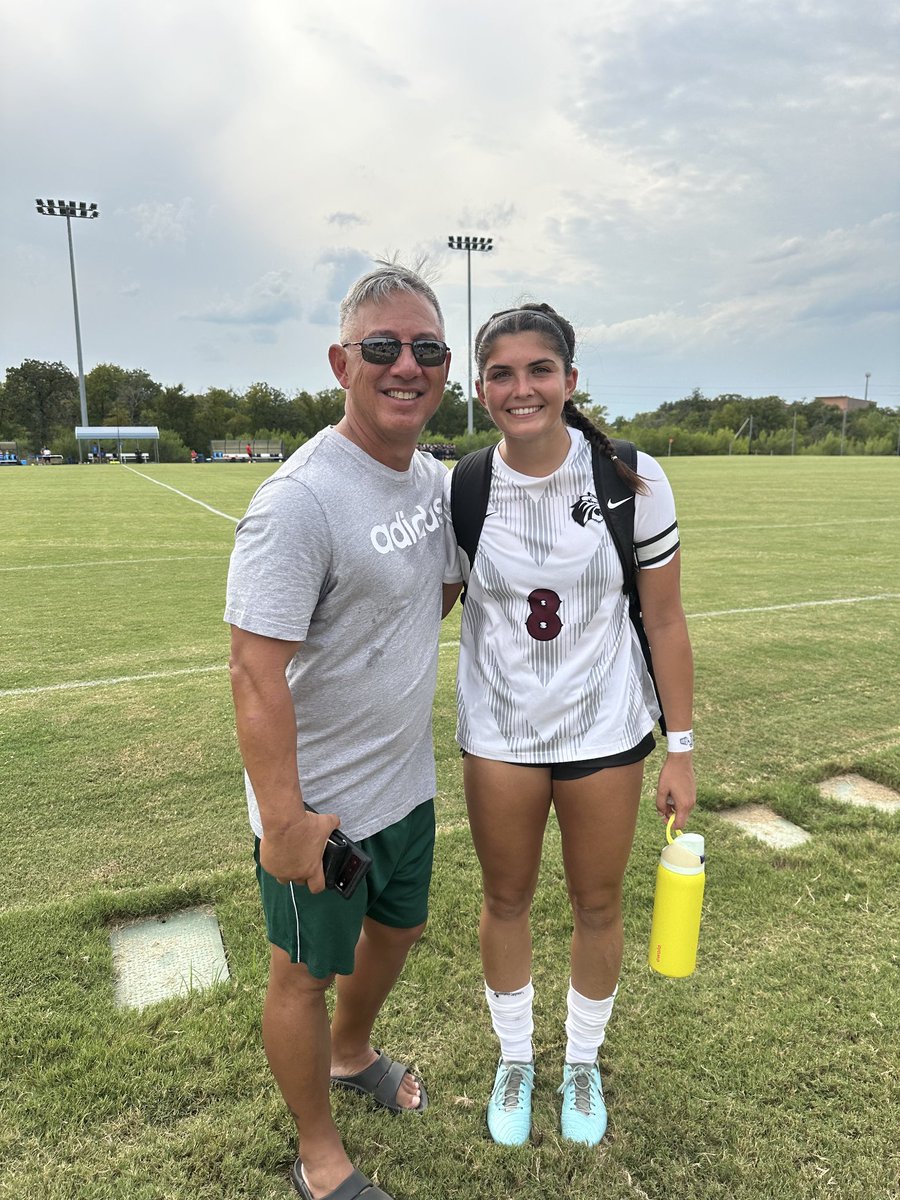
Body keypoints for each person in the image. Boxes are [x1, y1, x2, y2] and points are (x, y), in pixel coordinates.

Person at [225, 264, 455, 1200]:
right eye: (383, 347)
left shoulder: (432, 480)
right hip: (321, 813)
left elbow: (436, 594)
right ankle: (319, 1160)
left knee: (399, 933)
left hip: (405, 786)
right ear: (341, 362)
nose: (407, 365)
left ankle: (351, 1054)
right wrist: (285, 819)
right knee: (302, 978)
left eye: (427, 348)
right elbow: (252, 670)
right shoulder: (301, 501)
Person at [443, 303, 695, 1148]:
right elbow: (423, 607)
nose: (523, 389)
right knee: (505, 898)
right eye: (503, 374)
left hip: (606, 731)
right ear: (482, 390)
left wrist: (683, 750)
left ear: (570, 381)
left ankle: (581, 1065)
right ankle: (515, 1059)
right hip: (502, 734)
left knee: (597, 902)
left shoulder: (632, 478)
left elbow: (664, 623)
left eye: (539, 371)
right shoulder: (464, 486)